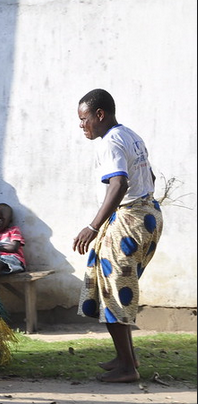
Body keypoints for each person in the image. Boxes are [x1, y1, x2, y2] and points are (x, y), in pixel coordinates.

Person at [72, 88, 163, 384]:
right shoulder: (129, 135)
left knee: (115, 290)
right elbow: (148, 178)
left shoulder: (109, 142)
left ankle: (128, 367)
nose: (82, 126)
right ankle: (127, 358)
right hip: (148, 216)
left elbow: (119, 183)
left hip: (130, 219)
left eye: (85, 119)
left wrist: (93, 226)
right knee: (111, 284)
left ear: (100, 115)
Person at [0, 203, 26, 279]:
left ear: (9, 221)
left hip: (14, 260)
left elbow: (14, 248)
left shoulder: (13, 230)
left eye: (1, 219)